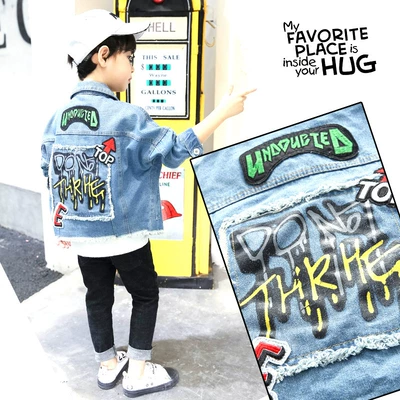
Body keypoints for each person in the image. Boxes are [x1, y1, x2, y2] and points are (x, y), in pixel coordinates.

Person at [40, 8, 255, 398]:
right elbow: (174, 152)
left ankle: (108, 366)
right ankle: (137, 372)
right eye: (129, 58)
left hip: (84, 239)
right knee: (144, 294)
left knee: (97, 296)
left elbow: (48, 169)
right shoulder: (127, 116)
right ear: (103, 55)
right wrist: (223, 112)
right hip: (127, 237)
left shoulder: (55, 120)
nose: (134, 69)